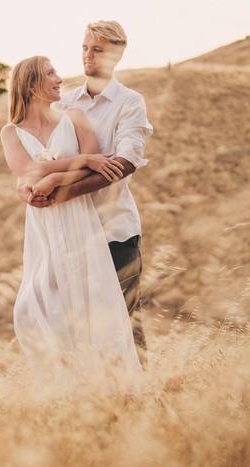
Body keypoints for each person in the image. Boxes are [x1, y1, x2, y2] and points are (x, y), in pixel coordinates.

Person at [0, 54, 143, 396]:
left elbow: (97, 165)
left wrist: (56, 179)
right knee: (31, 308)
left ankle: (107, 390)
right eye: (51, 73)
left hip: (79, 218)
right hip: (43, 226)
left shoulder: (74, 116)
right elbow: (27, 171)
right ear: (32, 84)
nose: (60, 78)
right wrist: (79, 162)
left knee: (91, 302)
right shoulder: (11, 132)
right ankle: (60, 383)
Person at [17, 20, 154, 369]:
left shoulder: (129, 103)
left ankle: (145, 405)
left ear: (117, 54)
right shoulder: (64, 101)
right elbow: (39, 155)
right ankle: (91, 408)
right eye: (84, 48)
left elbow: (123, 164)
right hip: (68, 234)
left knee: (124, 324)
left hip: (113, 229)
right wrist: (28, 184)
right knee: (76, 324)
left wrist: (60, 191)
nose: (88, 56)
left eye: (98, 49)